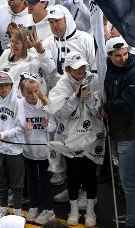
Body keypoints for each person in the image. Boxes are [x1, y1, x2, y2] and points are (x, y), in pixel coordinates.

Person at [48, 52, 104, 227]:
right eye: (76, 67)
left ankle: (90, 210)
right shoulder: (61, 85)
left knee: (90, 175)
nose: (81, 70)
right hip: (71, 138)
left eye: (83, 66)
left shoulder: (94, 80)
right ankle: (73, 210)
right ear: (68, 69)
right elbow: (59, 112)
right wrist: (75, 98)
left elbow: (100, 112)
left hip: (92, 138)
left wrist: (90, 101)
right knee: (73, 175)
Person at [99, 36, 135, 228]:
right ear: (109, 56)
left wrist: (107, 107)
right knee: (131, 179)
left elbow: (128, 104)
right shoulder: (110, 69)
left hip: (132, 134)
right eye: (118, 55)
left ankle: (131, 222)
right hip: (118, 132)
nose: (123, 58)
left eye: (125, 54)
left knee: (129, 181)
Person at [0, 71, 25, 225]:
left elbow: (21, 128)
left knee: (17, 182)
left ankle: (18, 212)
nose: (3, 89)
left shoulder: (18, 103)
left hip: (14, 149)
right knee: (0, 180)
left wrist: (4, 134)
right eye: (0, 86)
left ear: (11, 86)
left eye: (6, 85)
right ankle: (3, 209)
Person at [17, 75, 55, 226]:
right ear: (22, 93)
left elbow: (55, 127)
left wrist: (48, 126)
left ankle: (48, 210)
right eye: (29, 93)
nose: (33, 96)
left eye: (35, 92)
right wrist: (23, 128)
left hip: (44, 151)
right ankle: (33, 207)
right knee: (31, 180)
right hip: (28, 151)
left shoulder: (46, 104)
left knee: (45, 181)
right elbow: (17, 127)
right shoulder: (19, 105)